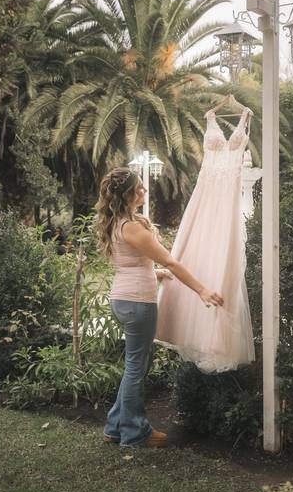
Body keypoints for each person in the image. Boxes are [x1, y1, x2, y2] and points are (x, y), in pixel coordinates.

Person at [94, 167, 223, 448]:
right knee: (136, 369)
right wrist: (202, 289)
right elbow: (171, 261)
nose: (144, 191)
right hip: (138, 303)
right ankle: (134, 432)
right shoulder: (133, 227)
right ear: (127, 194)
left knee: (134, 366)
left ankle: (114, 427)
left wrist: (156, 275)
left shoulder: (116, 223)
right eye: (139, 188)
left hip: (123, 299)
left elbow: (131, 264)